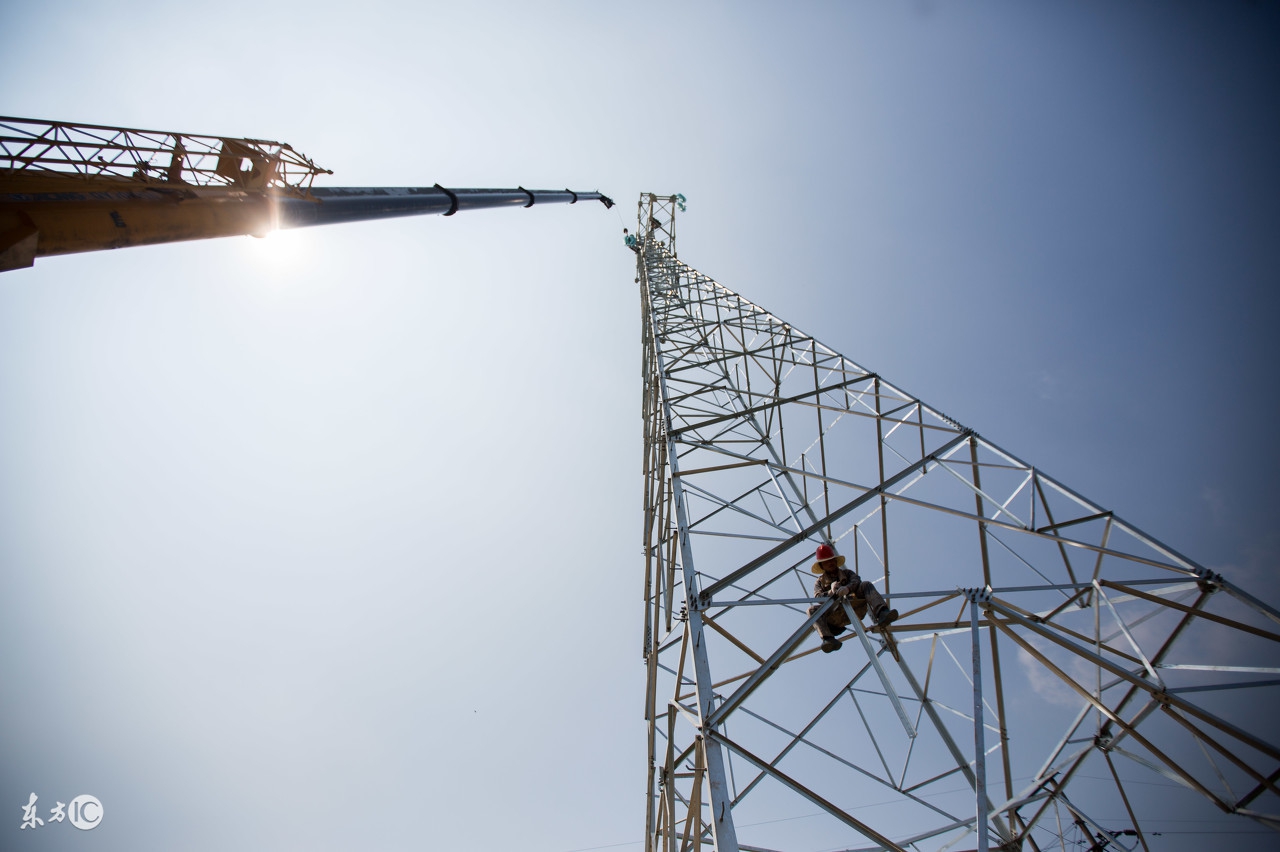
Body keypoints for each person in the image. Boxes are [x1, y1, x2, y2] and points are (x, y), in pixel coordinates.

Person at [807, 543, 898, 653]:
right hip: (835, 618)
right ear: (822, 566)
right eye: (826, 561)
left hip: (856, 607)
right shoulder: (819, 582)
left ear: (835, 561)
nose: (830, 563)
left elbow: (856, 581)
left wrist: (847, 588)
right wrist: (831, 592)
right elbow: (818, 597)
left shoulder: (847, 573)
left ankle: (882, 613)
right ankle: (828, 639)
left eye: (831, 560)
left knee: (866, 584)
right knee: (811, 610)